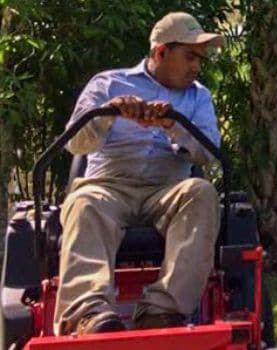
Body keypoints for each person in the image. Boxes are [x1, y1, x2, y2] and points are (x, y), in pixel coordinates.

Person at [55, 12, 224, 336]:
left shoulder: (199, 96)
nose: (196, 67)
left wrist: (173, 124)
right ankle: (89, 315)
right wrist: (109, 113)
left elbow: (210, 155)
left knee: (202, 193)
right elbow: (76, 143)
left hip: (167, 189)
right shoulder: (107, 84)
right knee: (84, 202)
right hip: (109, 186)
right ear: (161, 52)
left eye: (199, 59)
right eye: (190, 57)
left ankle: (163, 310)